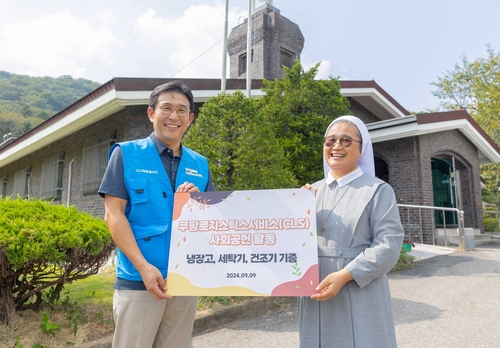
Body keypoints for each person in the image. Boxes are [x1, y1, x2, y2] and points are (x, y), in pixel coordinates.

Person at [98, 80, 215, 348]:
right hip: (139, 280)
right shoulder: (126, 154)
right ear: (151, 113)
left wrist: (197, 202)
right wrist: (143, 267)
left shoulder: (200, 164)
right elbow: (113, 215)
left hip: (185, 281)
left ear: (191, 119)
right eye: (167, 108)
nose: (174, 116)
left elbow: (212, 220)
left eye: (182, 110)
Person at [299, 115, 404, 347]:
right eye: (330, 141)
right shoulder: (309, 192)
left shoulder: (378, 189)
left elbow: (389, 244)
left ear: (361, 149)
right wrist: (295, 209)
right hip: (315, 290)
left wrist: (345, 275)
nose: (336, 146)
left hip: (358, 288)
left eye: (346, 141)